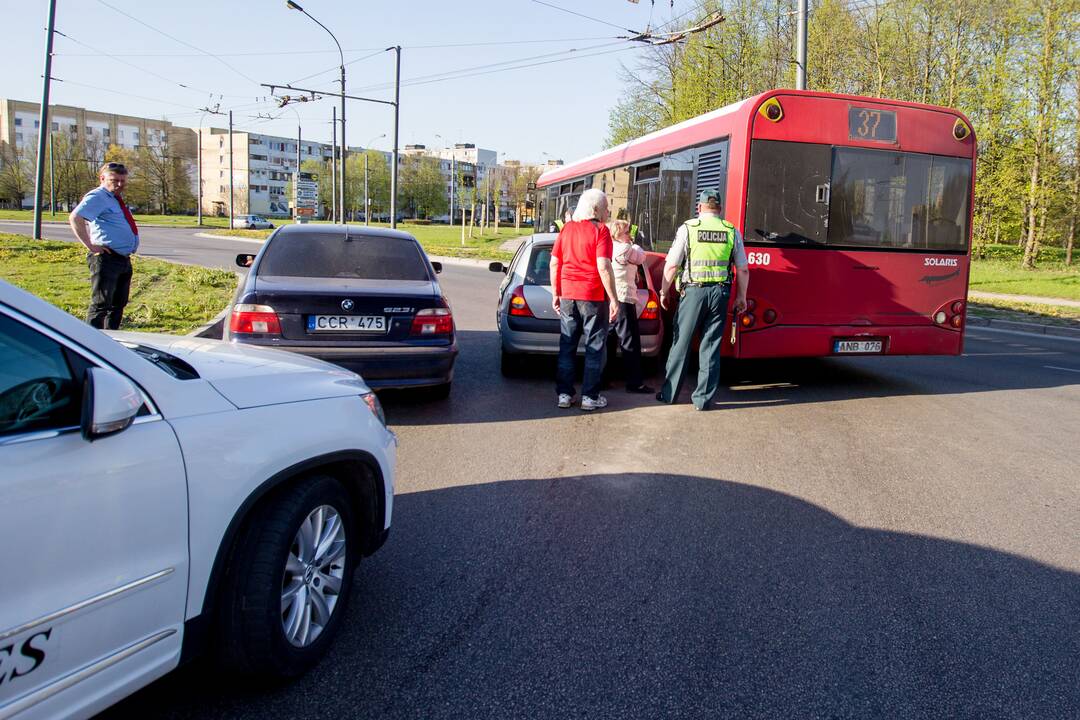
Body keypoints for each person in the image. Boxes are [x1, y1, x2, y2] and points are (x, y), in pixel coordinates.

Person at [655, 189, 749, 410]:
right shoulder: (731, 231)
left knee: (681, 344)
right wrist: (742, 297)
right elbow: (743, 269)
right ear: (720, 209)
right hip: (720, 294)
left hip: (694, 294)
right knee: (711, 346)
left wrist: (663, 291)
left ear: (700, 207)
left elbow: (671, 265)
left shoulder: (689, 228)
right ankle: (703, 400)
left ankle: (669, 395)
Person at [550, 188, 619, 411]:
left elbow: (554, 263)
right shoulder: (602, 231)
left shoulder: (567, 229)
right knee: (594, 346)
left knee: (567, 344)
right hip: (592, 295)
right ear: (596, 209)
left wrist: (556, 292)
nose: (608, 212)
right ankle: (590, 397)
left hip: (568, 293)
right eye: (607, 207)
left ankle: (564, 394)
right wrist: (614, 299)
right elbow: (604, 266)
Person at [68, 162, 140, 329]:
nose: (120, 184)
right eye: (115, 180)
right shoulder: (98, 196)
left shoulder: (114, 199)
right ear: (102, 178)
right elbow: (76, 217)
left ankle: (111, 340)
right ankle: (92, 345)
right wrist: (91, 246)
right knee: (101, 305)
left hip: (122, 259)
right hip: (106, 259)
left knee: (118, 304)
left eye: (123, 181)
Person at [609, 219, 653, 394]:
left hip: (611, 298)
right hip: (624, 299)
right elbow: (642, 256)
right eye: (627, 232)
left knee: (609, 340)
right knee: (630, 341)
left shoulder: (609, 248)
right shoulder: (626, 249)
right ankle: (635, 383)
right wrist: (633, 244)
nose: (630, 235)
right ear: (618, 234)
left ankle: (604, 377)